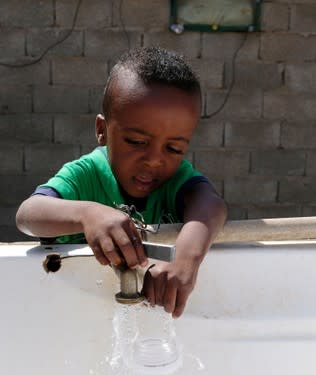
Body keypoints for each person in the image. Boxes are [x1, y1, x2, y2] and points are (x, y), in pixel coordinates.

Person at [16, 46, 227, 318]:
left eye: (173, 149)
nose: (154, 160)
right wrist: (87, 214)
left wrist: (185, 258)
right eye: (137, 142)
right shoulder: (87, 173)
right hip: (74, 317)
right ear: (102, 131)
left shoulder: (177, 180)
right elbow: (28, 215)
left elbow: (211, 204)